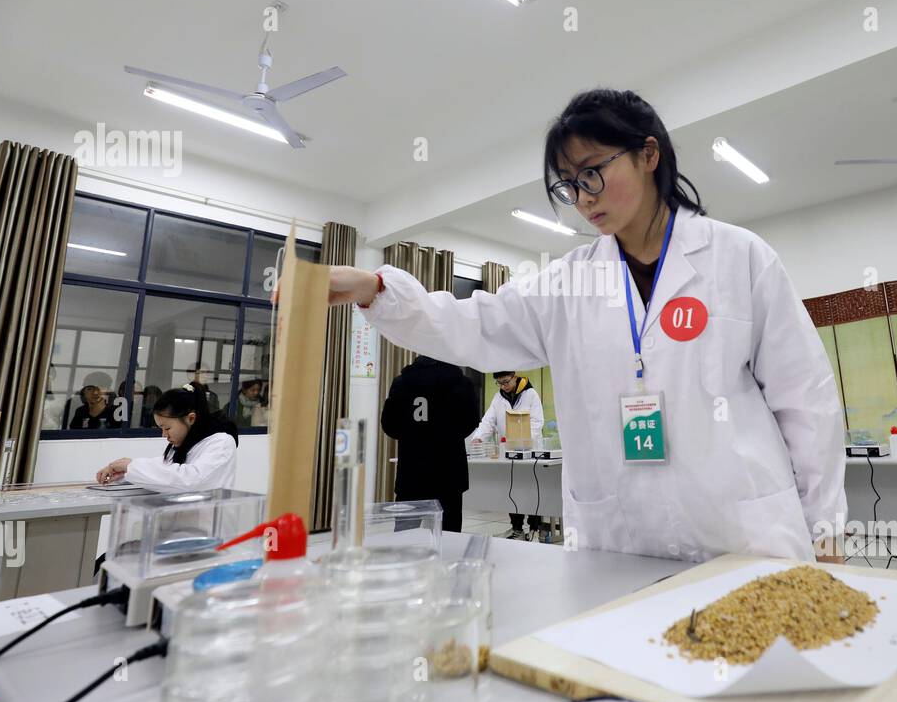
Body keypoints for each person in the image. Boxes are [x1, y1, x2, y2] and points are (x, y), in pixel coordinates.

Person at [327, 88, 846, 563]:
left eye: (592, 172)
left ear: (649, 154)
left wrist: (826, 530)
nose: (583, 197)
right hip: (620, 543)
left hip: (743, 537)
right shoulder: (567, 283)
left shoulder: (739, 258)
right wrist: (375, 289)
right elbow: (473, 324)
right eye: (569, 185)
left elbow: (806, 402)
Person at [380, 355, 481, 533]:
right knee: (449, 531)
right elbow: (471, 421)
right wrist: (449, 435)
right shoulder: (462, 383)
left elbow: (389, 425)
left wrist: (412, 435)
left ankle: (407, 560)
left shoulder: (402, 382)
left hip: (412, 469)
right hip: (449, 469)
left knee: (405, 532)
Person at [95, 384, 239, 493]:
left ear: (191, 418)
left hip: (208, 526)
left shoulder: (221, 442)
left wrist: (132, 467)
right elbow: (164, 468)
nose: (164, 435)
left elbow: (192, 481)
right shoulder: (185, 443)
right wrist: (124, 473)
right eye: (161, 429)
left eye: (167, 428)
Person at [470, 370, 546, 539]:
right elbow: (488, 420)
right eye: (499, 383)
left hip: (529, 452)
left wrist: (520, 440)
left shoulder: (530, 394)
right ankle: (517, 528)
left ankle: (534, 527)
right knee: (513, 489)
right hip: (509, 453)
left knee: (532, 489)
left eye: (505, 382)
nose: (503, 386)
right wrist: (478, 438)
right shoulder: (499, 398)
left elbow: (537, 422)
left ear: (515, 376)